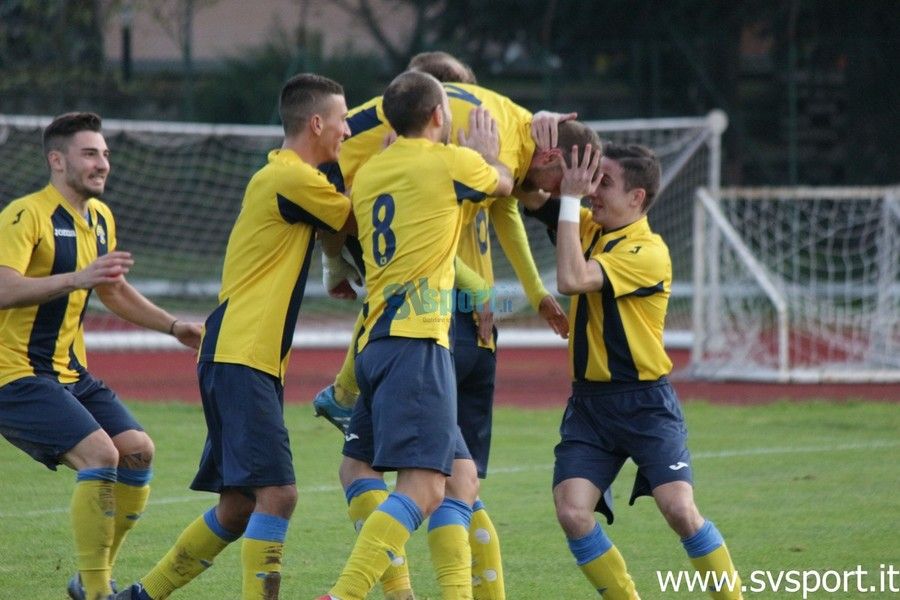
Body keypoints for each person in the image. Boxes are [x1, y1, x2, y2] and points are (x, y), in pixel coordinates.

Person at [314, 52, 584, 600]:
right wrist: (492, 154)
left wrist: (333, 268)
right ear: (443, 113)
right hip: (433, 334)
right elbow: (507, 188)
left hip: (381, 339)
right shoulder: (451, 165)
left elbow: (346, 231)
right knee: (434, 487)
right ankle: (346, 595)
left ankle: (341, 393)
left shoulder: (372, 172)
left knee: (435, 479)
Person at [114, 73, 354, 600]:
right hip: (242, 354)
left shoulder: (287, 177)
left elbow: (336, 227)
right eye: (342, 119)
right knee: (280, 494)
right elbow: (356, 219)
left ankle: (138, 596)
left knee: (240, 505)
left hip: (239, 354)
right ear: (316, 123)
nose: (348, 130)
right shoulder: (292, 177)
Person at [523, 142, 743, 599]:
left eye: (604, 182)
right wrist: (538, 149)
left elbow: (572, 280)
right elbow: (527, 193)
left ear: (637, 197)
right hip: (589, 407)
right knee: (572, 512)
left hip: (645, 403)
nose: (592, 191)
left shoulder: (648, 251)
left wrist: (569, 200)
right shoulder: (587, 226)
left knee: (679, 509)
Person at [0, 111, 202, 600]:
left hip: (69, 373)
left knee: (137, 451)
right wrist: (77, 278)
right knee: (101, 454)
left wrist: (174, 326)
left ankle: (90, 579)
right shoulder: (25, 215)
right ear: (57, 160)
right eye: (90, 153)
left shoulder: (100, 218)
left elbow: (112, 290)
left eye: (105, 154)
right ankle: (97, 593)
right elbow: (4, 289)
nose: (103, 163)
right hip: (14, 372)